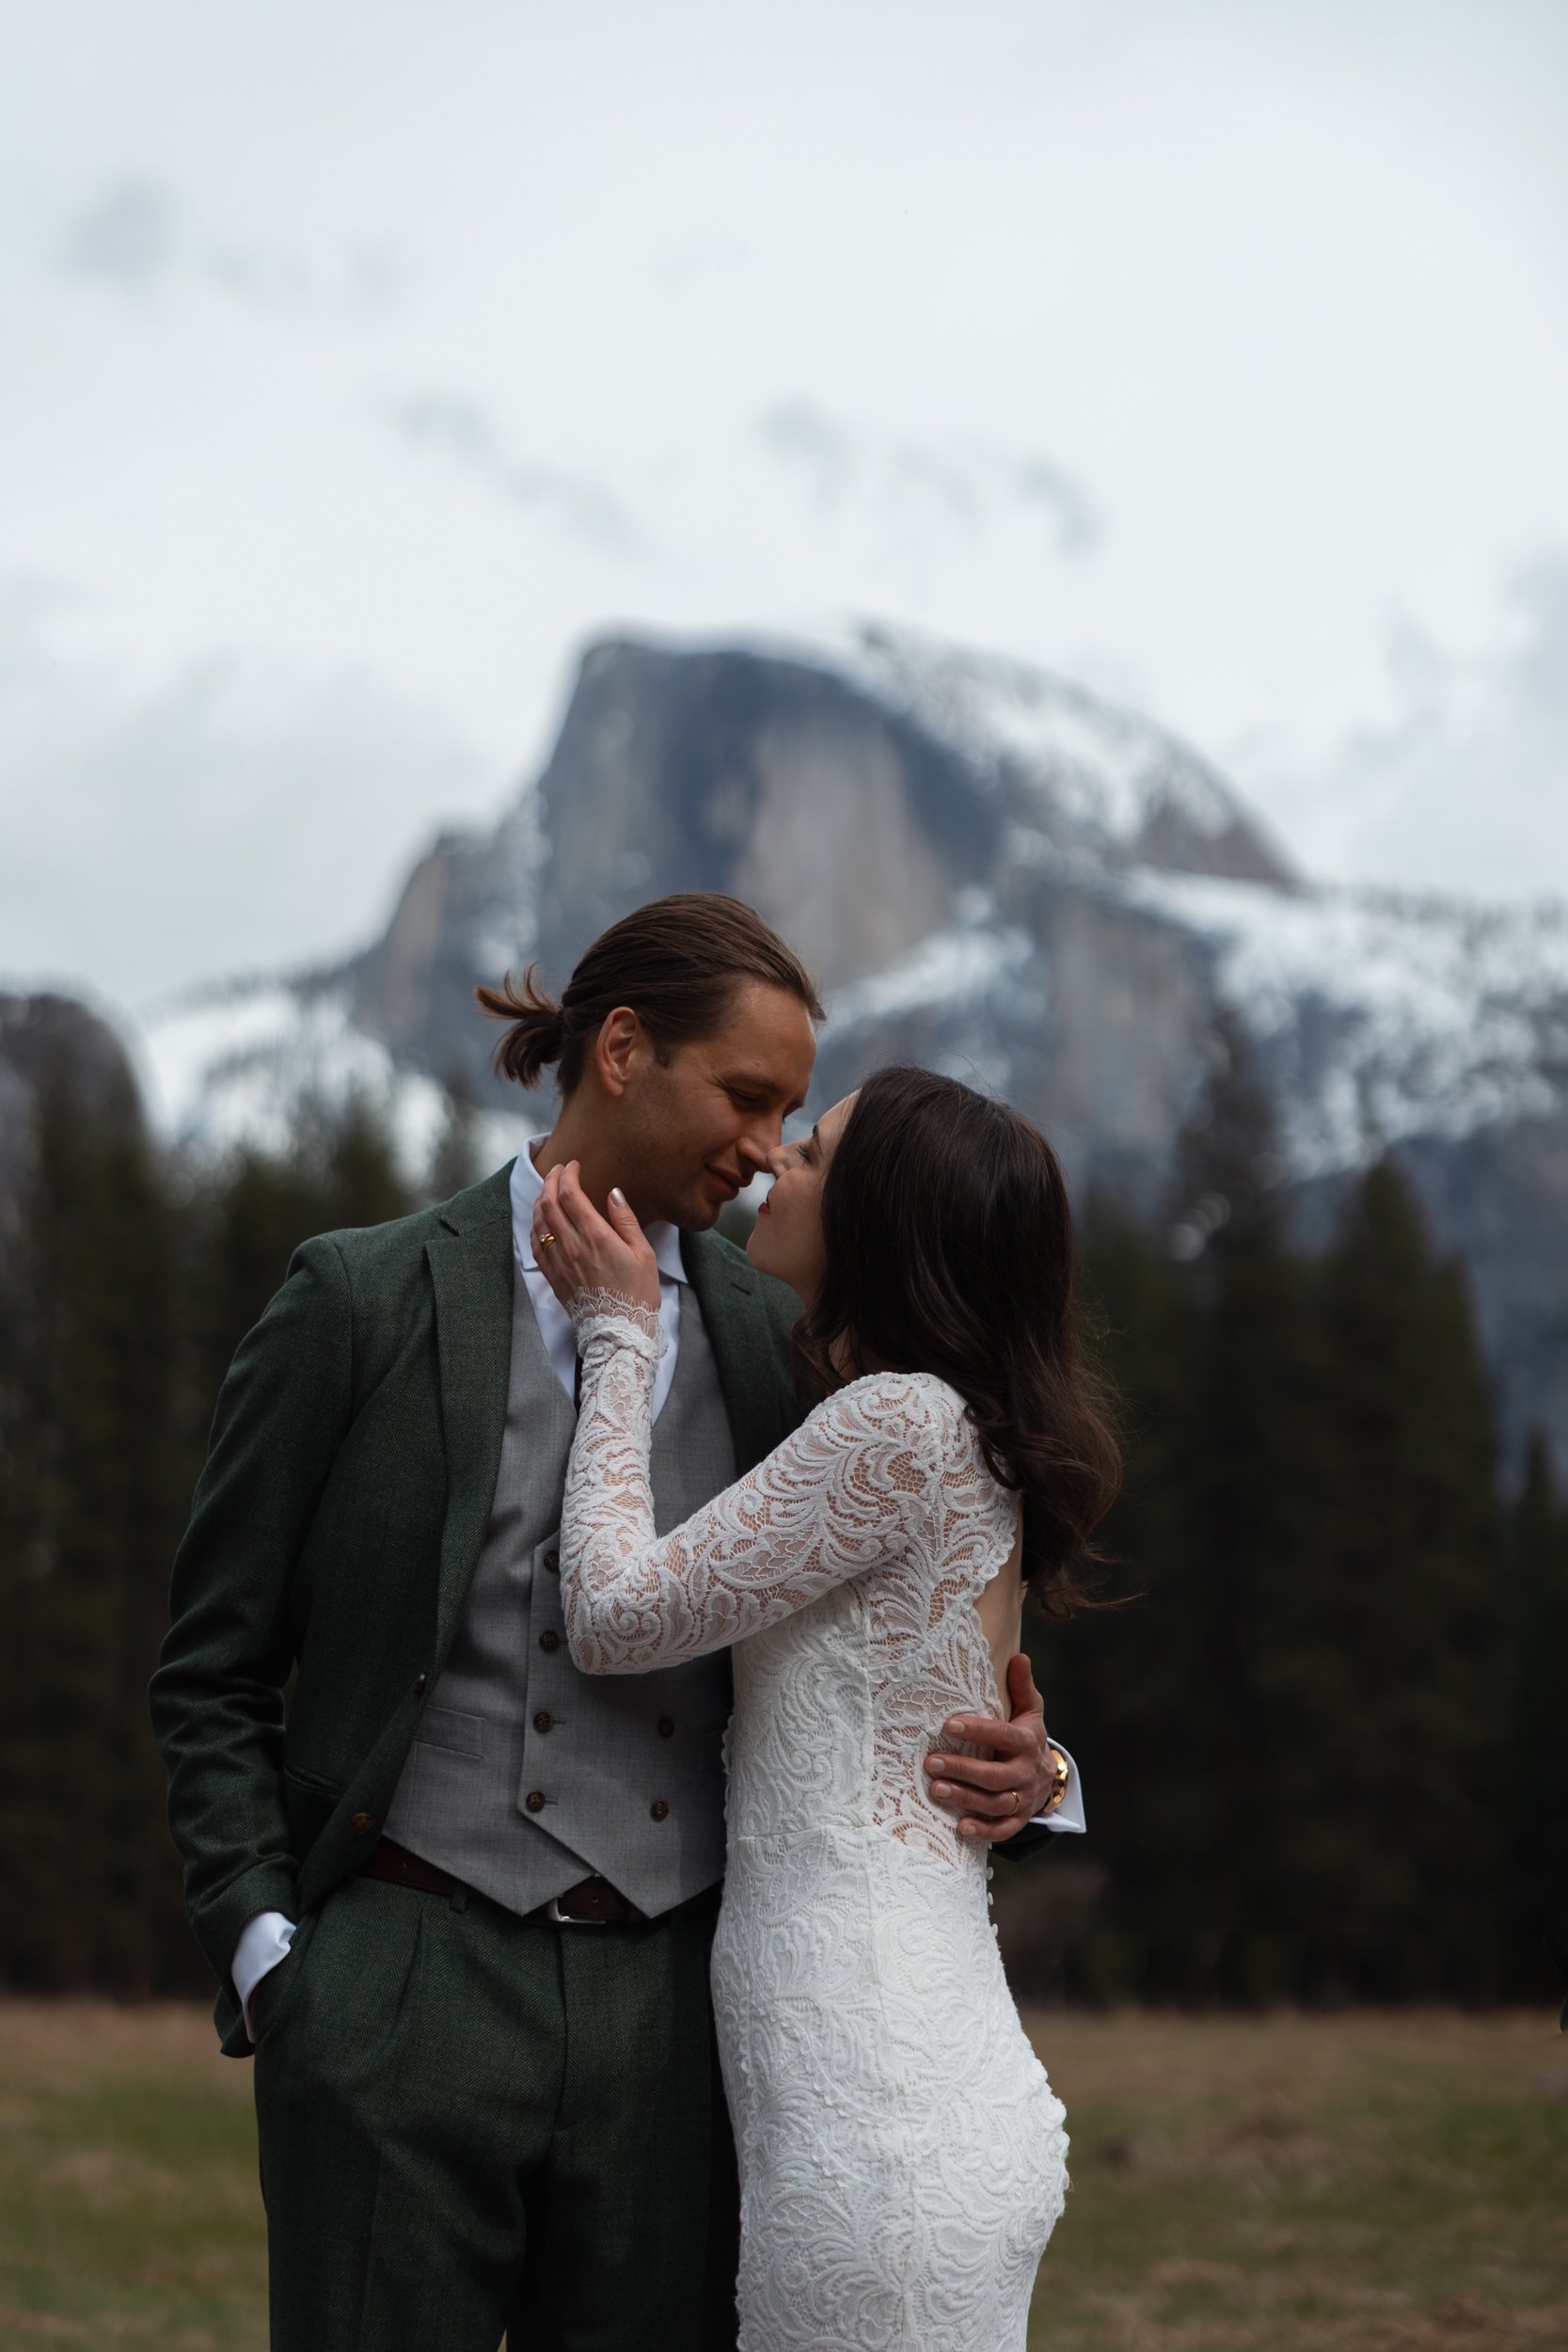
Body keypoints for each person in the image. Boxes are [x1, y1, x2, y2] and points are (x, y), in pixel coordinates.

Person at [150, 894, 1085, 2352]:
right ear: (628, 1051)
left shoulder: (793, 1333)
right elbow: (210, 1666)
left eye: (794, 1118)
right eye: (750, 1097)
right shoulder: (361, 1298)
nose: (772, 1147)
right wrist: (277, 1958)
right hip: (403, 1987)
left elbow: (908, 1618)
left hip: (681, 2024)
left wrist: (1040, 1770)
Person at [531, 1064, 1120, 2351]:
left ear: (884, 1225)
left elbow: (618, 1615)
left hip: (880, 2112)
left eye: (820, 1152)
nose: (777, 1158)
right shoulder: (942, 1428)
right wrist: (1051, 1775)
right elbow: (943, 1715)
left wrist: (620, 1333)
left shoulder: (897, 1424)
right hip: (896, 2075)